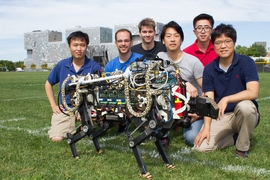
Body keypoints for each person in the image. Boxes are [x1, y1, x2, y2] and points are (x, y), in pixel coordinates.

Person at [193, 24, 260, 158]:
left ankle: (242, 148)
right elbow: (209, 101)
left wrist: (227, 99)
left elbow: (253, 92)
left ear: (234, 43)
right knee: (200, 148)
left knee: (245, 106)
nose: (223, 46)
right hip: (222, 115)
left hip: (243, 114)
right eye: (218, 42)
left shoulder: (246, 62)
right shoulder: (210, 69)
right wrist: (206, 126)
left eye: (227, 41)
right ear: (213, 45)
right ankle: (236, 137)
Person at [45, 31, 102, 142]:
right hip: (66, 108)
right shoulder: (62, 65)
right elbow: (48, 84)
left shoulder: (94, 66)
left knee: (87, 134)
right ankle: (70, 125)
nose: (79, 48)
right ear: (69, 47)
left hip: (87, 107)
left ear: (86, 47)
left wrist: (87, 109)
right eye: (75, 45)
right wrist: (53, 106)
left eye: (82, 45)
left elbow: (98, 91)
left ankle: (84, 124)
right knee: (57, 138)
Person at [157, 21, 204, 146]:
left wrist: (199, 113)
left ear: (181, 39)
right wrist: (183, 83)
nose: (172, 39)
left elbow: (207, 90)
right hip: (168, 104)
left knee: (191, 138)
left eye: (176, 35)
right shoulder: (159, 58)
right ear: (163, 40)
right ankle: (164, 134)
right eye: (168, 36)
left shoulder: (193, 62)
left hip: (190, 107)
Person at [104, 28, 143, 132]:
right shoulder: (110, 65)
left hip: (138, 100)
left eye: (126, 41)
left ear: (131, 42)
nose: (123, 44)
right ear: (115, 43)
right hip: (117, 100)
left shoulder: (141, 61)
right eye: (120, 41)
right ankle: (122, 121)